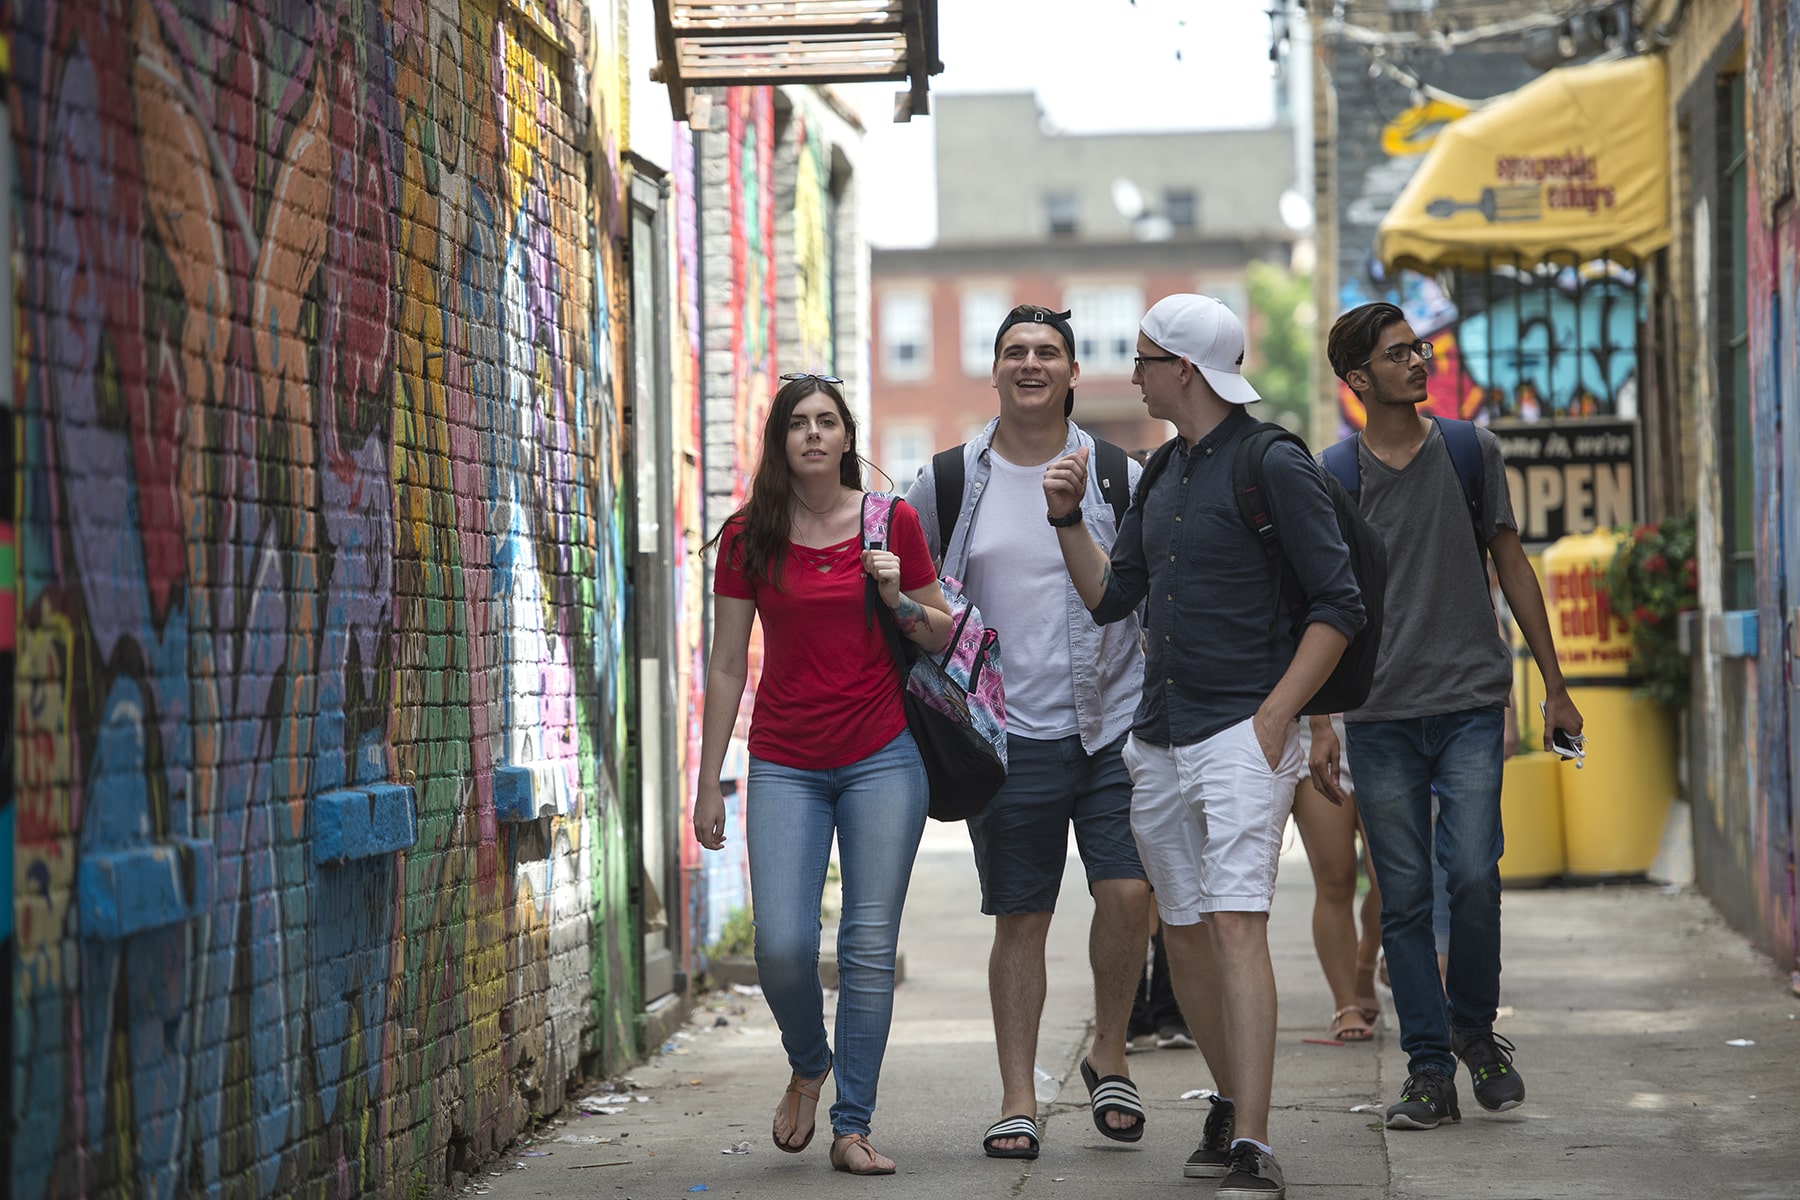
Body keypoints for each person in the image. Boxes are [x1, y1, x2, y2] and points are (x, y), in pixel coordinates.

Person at [1045, 294, 1365, 1199]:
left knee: (1233, 923)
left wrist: (1280, 719)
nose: (1132, 373)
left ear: (1181, 369)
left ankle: (1255, 1144)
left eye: (1143, 358)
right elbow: (1115, 602)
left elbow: (1338, 605)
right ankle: (1229, 1101)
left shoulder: (1274, 463)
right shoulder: (1161, 475)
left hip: (1241, 733)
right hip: (1158, 739)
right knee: (1179, 930)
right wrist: (1069, 521)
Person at [1311, 301, 1584, 1132]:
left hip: (1469, 701)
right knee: (1400, 899)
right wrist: (1321, 718)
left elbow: (1512, 564)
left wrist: (1556, 683)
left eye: (1417, 349)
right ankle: (1428, 1070)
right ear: (1358, 378)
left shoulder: (1471, 450)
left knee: (1471, 875)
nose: (1418, 363)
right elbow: (1323, 601)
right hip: (1381, 714)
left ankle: (1477, 1031)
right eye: (1398, 355)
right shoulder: (1335, 475)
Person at [905, 304, 1153, 1161]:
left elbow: (1153, 599)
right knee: (1023, 916)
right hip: (1009, 737)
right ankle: (1017, 1097)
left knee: (1128, 894)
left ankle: (1109, 1053)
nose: (1031, 363)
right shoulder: (944, 482)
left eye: (1048, 352)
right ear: (997, 370)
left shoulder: (1120, 475)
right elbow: (911, 596)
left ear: (1075, 373)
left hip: (1115, 726)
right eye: (1015, 351)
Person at [692, 372, 953, 1176]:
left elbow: (943, 634)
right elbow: (729, 665)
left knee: (868, 945)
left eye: (827, 421)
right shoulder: (747, 538)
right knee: (781, 947)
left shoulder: (891, 522)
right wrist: (710, 782)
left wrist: (895, 595)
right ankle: (809, 1059)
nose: (812, 433)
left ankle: (852, 1124)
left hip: (883, 757)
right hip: (785, 762)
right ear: (781, 440)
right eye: (798, 422)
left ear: (846, 438)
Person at [1290, 717, 1383, 1042]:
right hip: (1312, 736)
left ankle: (1366, 957)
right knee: (1335, 879)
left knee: (1392, 878)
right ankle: (1346, 1003)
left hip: (1384, 726)